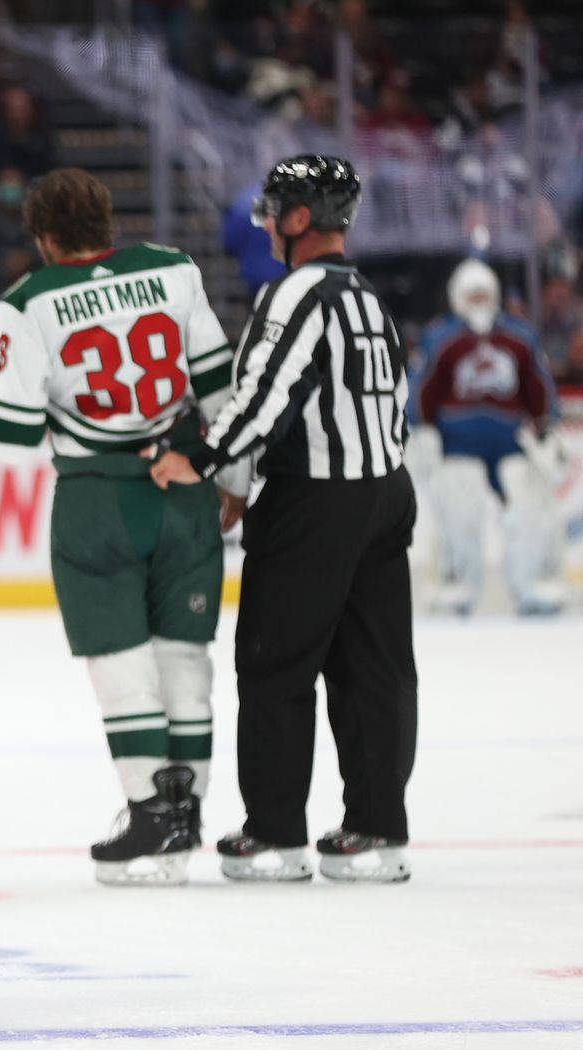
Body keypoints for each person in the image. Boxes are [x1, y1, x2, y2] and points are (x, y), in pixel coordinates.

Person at [148, 155, 418, 885]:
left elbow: (265, 397)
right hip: (385, 492)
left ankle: (274, 835)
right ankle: (378, 830)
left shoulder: (294, 293)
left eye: (274, 210)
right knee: (376, 672)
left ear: (302, 218)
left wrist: (200, 460)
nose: (266, 222)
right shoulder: (365, 295)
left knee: (274, 666)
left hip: (315, 505)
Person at [0, 168, 245, 886]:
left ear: (45, 237)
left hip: (99, 498)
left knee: (124, 670)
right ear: (106, 223)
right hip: (186, 491)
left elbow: (5, 431)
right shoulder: (174, 270)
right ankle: (184, 823)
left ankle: (149, 815)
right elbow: (221, 387)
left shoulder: (29, 300)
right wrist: (235, 480)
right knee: (187, 663)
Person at [411, 257, 568, 616]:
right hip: (456, 446)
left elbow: (538, 386)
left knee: (528, 507)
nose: (479, 301)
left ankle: (533, 583)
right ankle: (458, 584)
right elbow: (421, 389)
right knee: (458, 511)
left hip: (511, 440)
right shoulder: (442, 337)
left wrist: (546, 424)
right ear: (457, 296)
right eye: (473, 294)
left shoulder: (518, 337)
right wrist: (422, 429)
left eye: (485, 294)